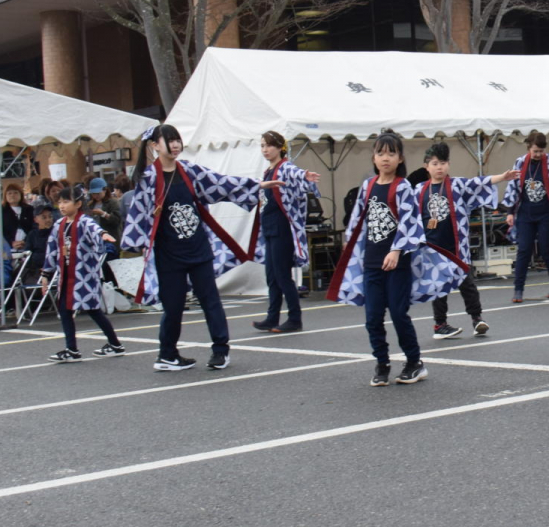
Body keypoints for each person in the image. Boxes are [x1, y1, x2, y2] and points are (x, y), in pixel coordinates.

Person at [121, 124, 275, 372]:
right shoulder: (148, 179)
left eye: (177, 140)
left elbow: (220, 183)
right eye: (169, 140)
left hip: (198, 249)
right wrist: (136, 245)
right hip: (168, 254)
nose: (175, 145)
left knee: (210, 300)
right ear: (154, 145)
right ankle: (167, 354)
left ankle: (220, 350)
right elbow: (139, 215)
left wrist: (257, 185)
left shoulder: (189, 171)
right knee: (172, 306)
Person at [326, 132, 466, 385]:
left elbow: (411, 222)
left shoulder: (402, 186)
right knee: (373, 317)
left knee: (399, 314)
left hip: (398, 264)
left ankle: (415, 362)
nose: (385, 158)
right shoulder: (368, 186)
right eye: (380, 153)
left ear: (400, 158)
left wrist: (396, 250)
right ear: (374, 157)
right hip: (371, 262)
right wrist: (349, 247)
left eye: (391, 153)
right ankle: (382, 363)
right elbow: (357, 222)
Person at [416, 142, 516, 338]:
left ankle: (477, 318)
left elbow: (478, 182)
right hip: (433, 248)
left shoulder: (456, 185)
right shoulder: (419, 190)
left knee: (467, 283)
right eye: (435, 163)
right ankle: (440, 324)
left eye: (443, 163)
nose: (439, 167)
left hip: (456, 246)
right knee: (438, 287)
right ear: (426, 167)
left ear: (449, 165)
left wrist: (502, 177)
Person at [40, 186, 125, 362]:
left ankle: (114, 344)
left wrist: (103, 234)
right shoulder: (59, 225)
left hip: (84, 276)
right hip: (66, 276)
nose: (62, 206)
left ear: (78, 203)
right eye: (60, 202)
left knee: (93, 310)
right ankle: (72, 349)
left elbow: (96, 230)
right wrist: (46, 274)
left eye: (66, 201)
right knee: (65, 311)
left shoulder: (84, 222)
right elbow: (51, 250)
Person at [250, 131, 321, 334]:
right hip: (270, 226)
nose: (265, 149)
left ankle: (294, 317)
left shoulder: (284, 167)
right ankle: (272, 317)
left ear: (280, 147)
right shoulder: (267, 172)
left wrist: (304, 175)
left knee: (282, 274)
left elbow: (295, 173)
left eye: (269, 145)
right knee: (271, 275)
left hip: (282, 227)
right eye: (263, 145)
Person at [503, 131, 549, 304]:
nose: (538, 154)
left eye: (541, 151)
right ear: (529, 148)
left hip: (545, 213)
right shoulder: (521, 162)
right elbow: (513, 187)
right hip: (525, 213)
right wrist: (510, 211)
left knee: (547, 250)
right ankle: (518, 289)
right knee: (523, 250)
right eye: (535, 151)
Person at [22, 202, 55, 284]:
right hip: (35, 271)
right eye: (44, 217)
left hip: (52, 270)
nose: (48, 220)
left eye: (50, 216)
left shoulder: (56, 233)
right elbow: (27, 254)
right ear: (36, 219)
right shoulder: (32, 234)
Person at [0, 183, 35, 249]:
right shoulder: (1, 211)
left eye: (15, 193)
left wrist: (25, 241)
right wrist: (11, 242)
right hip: (9, 247)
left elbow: (33, 227)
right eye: (9, 193)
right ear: (5, 196)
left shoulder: (29, 209)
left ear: (21, 194)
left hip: (28, 245)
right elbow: (0, 231)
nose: (12, 195)